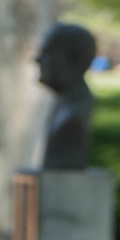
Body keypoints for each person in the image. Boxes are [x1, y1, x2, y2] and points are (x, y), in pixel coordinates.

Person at [35, 22, 97, 170]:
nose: (37, 60)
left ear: (73, 61)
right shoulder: (63, 106)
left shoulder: (73, 116)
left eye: (47, 53)